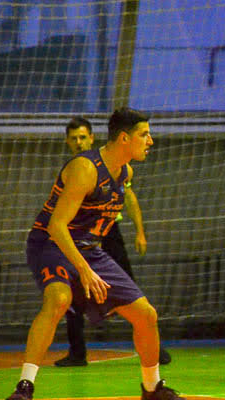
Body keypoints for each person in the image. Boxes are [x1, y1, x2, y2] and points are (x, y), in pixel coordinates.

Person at [3, 108, 194, 400]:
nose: (151, 141)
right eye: (145, 135)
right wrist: (83, 270)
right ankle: (24, 387)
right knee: (59, 299)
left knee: (146, 315)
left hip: (89, 249)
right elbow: (56, 226)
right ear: (124, 138)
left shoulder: (126, 173)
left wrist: (95, 260)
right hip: (51, 244)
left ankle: (152, 389)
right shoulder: (86, 169)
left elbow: (107, 214)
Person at [56, 117, 171, 367]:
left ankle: (155, 348)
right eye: (74, 138)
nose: (78, 142)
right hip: (80, 237)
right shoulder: (77, 169)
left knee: (129, 287)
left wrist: (140, 230)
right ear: (67, 141)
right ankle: (78, 352)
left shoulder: (114, 164)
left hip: (109, 233)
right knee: (73, 294)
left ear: (92, 138)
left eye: (82, 137)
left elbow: (128, 196)